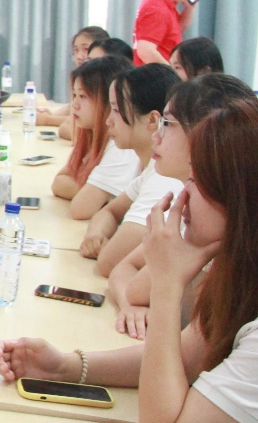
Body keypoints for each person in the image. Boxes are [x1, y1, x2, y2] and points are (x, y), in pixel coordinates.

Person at [0, 97, 258, 423]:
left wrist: (166, 285)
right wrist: (67, 366)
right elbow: (186, 357)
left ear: (247, 202)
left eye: (196, 182)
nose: (182, 196)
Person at [106, 74, 256, 338]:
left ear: (209, 131)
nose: (156, 135)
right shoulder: (189, 201)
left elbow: (124, 274)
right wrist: (131, 307)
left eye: (167, 124)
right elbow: (125, 273)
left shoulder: (214, 217)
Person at [78, 63, 182, 277]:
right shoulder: (152, 166)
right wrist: (95, 234)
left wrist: (106, 246)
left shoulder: (164, 177)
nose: (108, 121)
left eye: (117, 110)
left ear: (152, 120)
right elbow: (108, 212)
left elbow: (109, 262)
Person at [51, 55, 139, 220]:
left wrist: (87, 190)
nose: (75, 105)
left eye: (83, 96)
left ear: (109, 101)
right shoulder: (92, 135)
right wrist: (92, 191)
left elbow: (80, 209)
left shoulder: (122, 148)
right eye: (74, 95)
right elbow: (58, 182)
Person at [38, 25, 108, 140]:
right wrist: (50, 114)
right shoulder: (80, 78)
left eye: (86, 49)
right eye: (75, 50)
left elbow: (75, 129)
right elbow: (71, 107)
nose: (79, 56)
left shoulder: (104, 82)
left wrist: (47, 119)